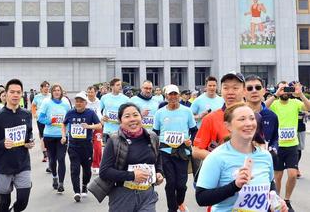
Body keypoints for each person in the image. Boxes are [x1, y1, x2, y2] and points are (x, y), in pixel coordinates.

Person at [196, 102, 287, 212]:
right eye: (242, 119)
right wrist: (235, 185)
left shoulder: (265, 155)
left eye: (252, 118)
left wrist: (276, 201)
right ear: (228, 126)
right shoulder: (216, 157)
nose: (249, 123)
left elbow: (270, 184)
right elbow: (201, 198)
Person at [97, 103, 164, 211]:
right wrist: (132, 175)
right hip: (122, 195)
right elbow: (104, 172)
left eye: (135, 115)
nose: (132, 119)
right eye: (127, 116)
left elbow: (157, 158)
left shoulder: (152, 137)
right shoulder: (114, 140)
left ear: (141, 117)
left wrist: (159, 172)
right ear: (120, 120)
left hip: (147, 195)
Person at [0, 79, 34, 212]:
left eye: (18, 92)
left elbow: (28, 134)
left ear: (22, 94)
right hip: (4, 166)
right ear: (5, 94)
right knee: (4, 202)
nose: (15, 95)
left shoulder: (27, 114)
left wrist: (30, 142)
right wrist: (2, 143)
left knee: (23, 200)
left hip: (23, 164)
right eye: (12, 92)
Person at [264, 81, 310, 212]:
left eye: (287, 89)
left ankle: (287, 200)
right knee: (277, 177)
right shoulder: (274, 103)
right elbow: (262, 108)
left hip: (292, 145)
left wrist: (301, 94)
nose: (285, 92)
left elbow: (308, 107)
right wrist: (275, 95)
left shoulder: (295, 103)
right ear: (279, 90)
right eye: (282, 89)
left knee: (292, 174)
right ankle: (276, 201)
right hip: (277, 146)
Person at [153, 84, 196, 212]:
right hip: (165, 151)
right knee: (171, 183)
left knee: (181, 185)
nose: (173, 97)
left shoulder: (187, 111)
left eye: (175, 94)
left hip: (182, 151)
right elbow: (155, 132)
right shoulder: (160, 113)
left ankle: (179, 203)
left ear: (179, 95)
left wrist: (190, 141)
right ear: (166, 96)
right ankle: (172, 209)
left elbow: (194, 130)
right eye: (170, 94)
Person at [192, 72, 246, 162]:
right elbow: (196, 150)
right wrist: (220, 158)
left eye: (235, 88)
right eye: (226, 88)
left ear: (244, 90)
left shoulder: (253, 118)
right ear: (221, 90)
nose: (230, 92)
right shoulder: (210, 119)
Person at [62, 92, 102, 202]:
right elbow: (64, 124)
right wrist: (63, 136)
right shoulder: (70, 113)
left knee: (87, 171)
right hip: (73, 147)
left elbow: (99, 125)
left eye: (81, 101)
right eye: (77, 101)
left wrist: (89, 126)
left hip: (86, 147)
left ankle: (84, 185)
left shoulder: (90, 113)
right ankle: (76, 192)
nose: (78, 103)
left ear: (85, 103)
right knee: (74, 169)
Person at [38, 83, 71, 193]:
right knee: (52, 160)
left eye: (59, 90)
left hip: (62, 136)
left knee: (61, 159)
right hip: (49, 135)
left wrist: (69, 132)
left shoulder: (66, 103)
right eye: (55, 90)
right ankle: (54, 176)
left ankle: (61, 183)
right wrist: (49, 121)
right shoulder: (47, 102)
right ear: (52, 92)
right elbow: (40, 117)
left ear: (61, 92)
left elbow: (70, 118)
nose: (57, 92)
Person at [244, 75, 279, 154]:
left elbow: (275, 139)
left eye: (258, 87)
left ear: (263, 91)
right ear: (243, 92)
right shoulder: (236, 115)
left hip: (265, 162)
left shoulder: (272, 116)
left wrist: (273, 149)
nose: (254, 91)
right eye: (249, 88)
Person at [100, 78, 129, 144]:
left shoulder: (126, 99)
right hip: (108, 130)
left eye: (120, 85)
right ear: (112, 86)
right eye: (118, 85)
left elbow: (129, 113)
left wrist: (122, 120)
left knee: (120, 152)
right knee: (108, 152)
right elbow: (98, 111)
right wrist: (102, 118)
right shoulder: (104, 97)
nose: (120, 86)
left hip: (120, 131)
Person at [31, 81, 51, 163]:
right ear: (41, 88)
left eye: (48, 87)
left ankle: (50, 152)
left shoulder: (51, 96)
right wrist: (34, 113)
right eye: (45, 87)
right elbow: (33, 105)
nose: (47, 89)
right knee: (42, 136)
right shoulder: (37, 97)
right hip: (40, 119)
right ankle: (45, 154)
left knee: (49, 135)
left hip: (50, 119)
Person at [86, 85, 103, 174]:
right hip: (87, 128)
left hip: (97, 127)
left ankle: (96, 165)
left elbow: (101, 113)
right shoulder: (84, 102)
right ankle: (87, 164)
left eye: (92, 92)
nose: (90, 94)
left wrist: (103, 120)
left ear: (95, 92)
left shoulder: (99, 102)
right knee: (87, 148)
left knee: (98, 147)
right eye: (88, 92)